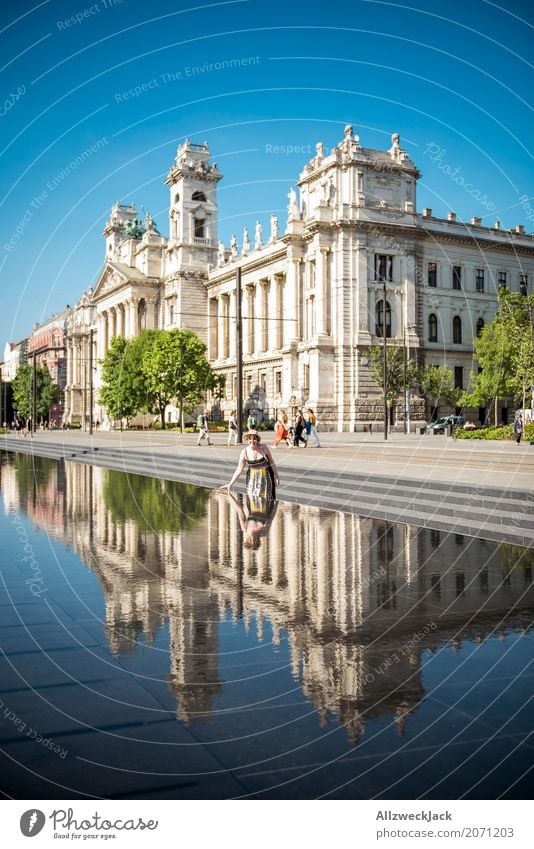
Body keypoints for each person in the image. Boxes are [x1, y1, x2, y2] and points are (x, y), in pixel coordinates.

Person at [225, 430, 280, 500]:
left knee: (267, 501)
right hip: (252, 478)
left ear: (257, 440)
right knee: (252, 501)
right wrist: (230, 484)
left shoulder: (263, 448)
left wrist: (276, 475)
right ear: (247, 440)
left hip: (266, 478)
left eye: (254, 439)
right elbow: (239, 469)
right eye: (250, 439)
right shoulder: (244, 452)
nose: (252, 441)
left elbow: (271, 461)